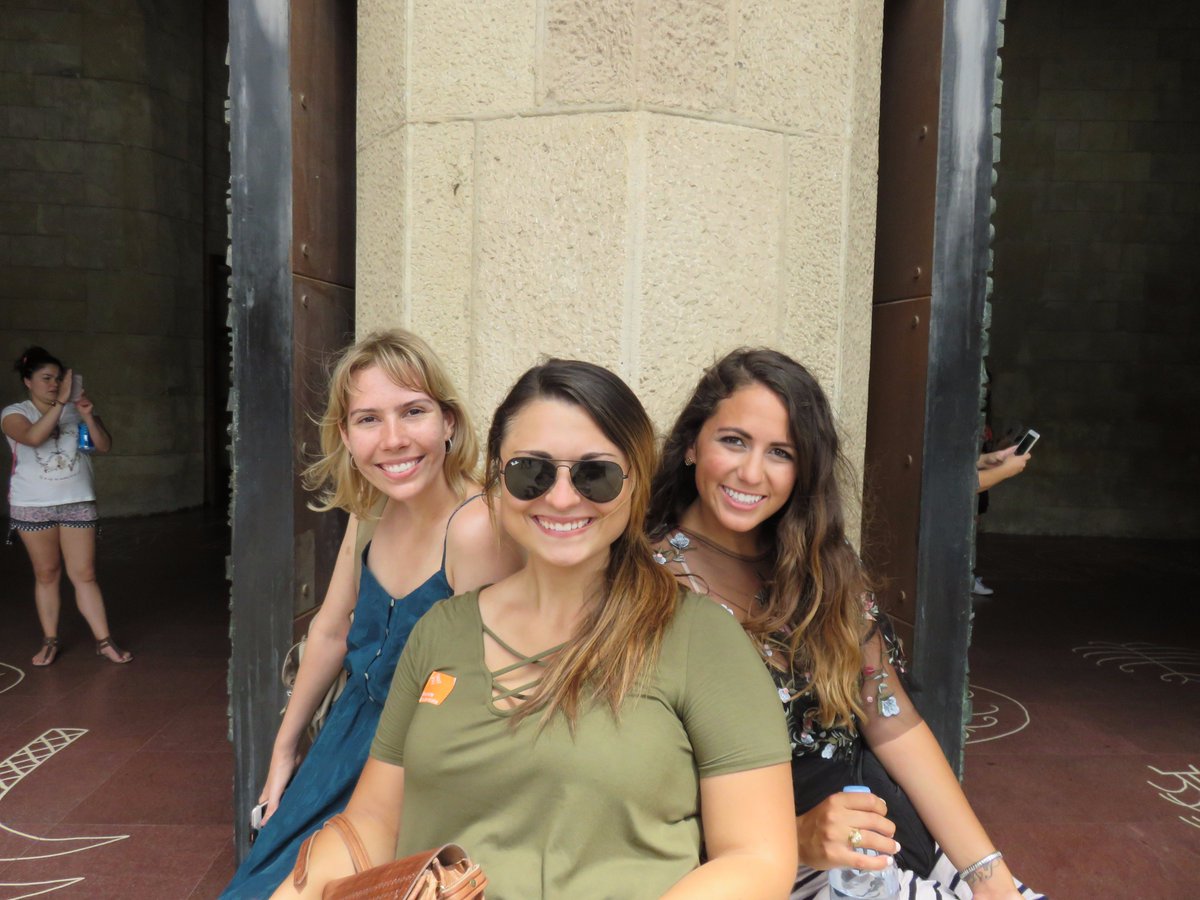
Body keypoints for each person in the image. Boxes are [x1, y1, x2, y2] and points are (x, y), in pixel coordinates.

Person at [273, 359, 798, 899]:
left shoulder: (700, 639)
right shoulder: (441, 630)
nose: (563, 497)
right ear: (497, 482)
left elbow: (758, 857)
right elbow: (371, 824)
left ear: (635, 480)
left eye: (596, 474)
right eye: (532, 472)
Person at [647, 348, 1044, 900]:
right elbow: (645, 791)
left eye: (781, 452)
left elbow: (894, 723)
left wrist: (991, 878)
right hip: (746, 870)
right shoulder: (645, 587)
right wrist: (795, 838)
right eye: (733, 440)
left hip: (873, 842)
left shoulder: (821, 567)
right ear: (692, 444)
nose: (751, 471)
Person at [222, 330, 521, 898]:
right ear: (345, 435)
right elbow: (331, 632)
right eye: (368, 420)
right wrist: (284, 752)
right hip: (345, 738)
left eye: (413, 412)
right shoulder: (372, 512)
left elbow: (491, 694)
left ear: (449, 422)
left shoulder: (476, 528)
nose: (393, 440)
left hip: (418, 762)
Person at [4, 346, 130, 666]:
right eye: (46, 378)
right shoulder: (14, 413)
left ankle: (104, 641)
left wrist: (86, 412)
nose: (53, 384)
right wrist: (61, 404)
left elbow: (104, 445)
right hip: (33, 504)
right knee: (47, 573)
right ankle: (50, 639)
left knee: (84, 573)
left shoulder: (75, 410)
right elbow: (33, 437)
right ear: (27, 382)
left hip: (77, 500)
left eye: (59, 379)